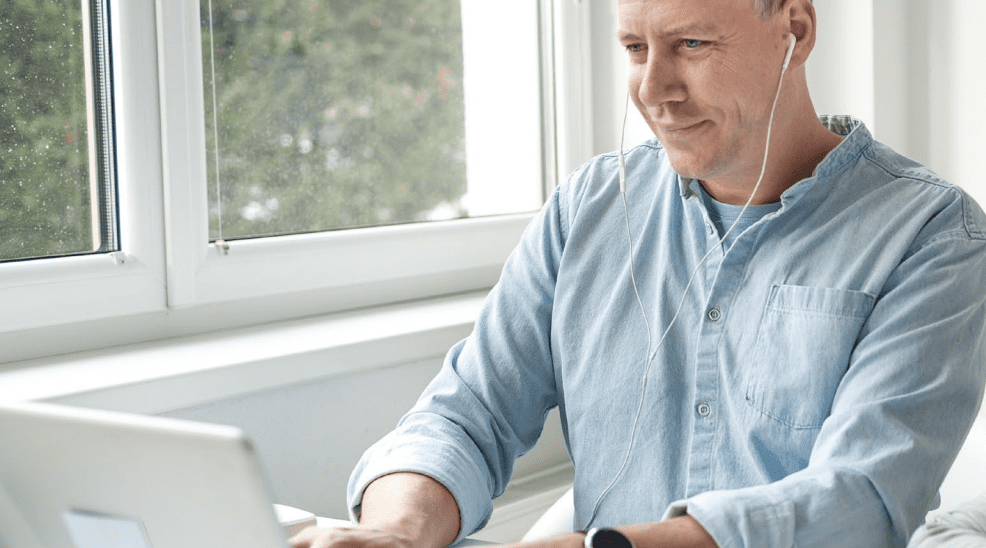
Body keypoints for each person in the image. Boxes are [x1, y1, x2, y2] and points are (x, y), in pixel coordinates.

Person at [291, 0, 986, 547]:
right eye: (634, 49)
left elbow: (861, 500)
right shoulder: (588, 210)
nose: (654, 90)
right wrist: (394, 532)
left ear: (795, 32)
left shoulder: (932, 236)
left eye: (691, 45)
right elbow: (466, 416)